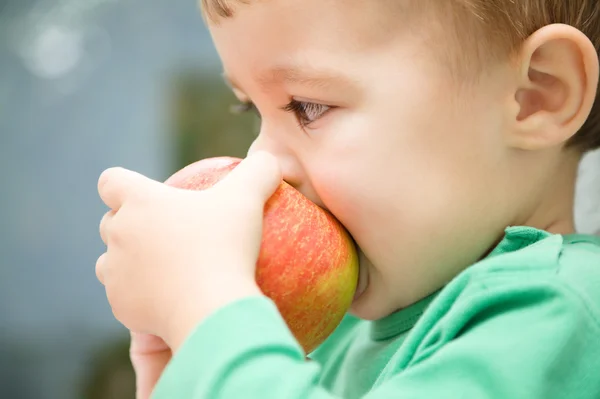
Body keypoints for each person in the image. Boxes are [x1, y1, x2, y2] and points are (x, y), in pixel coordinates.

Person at [95, 1, 600, 398]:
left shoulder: (561, 317)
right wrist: (182, 370)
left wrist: (205, 304)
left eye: (307, 106)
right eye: (250, 109)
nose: (261, 163)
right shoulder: (334, 342)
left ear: (538, 95)